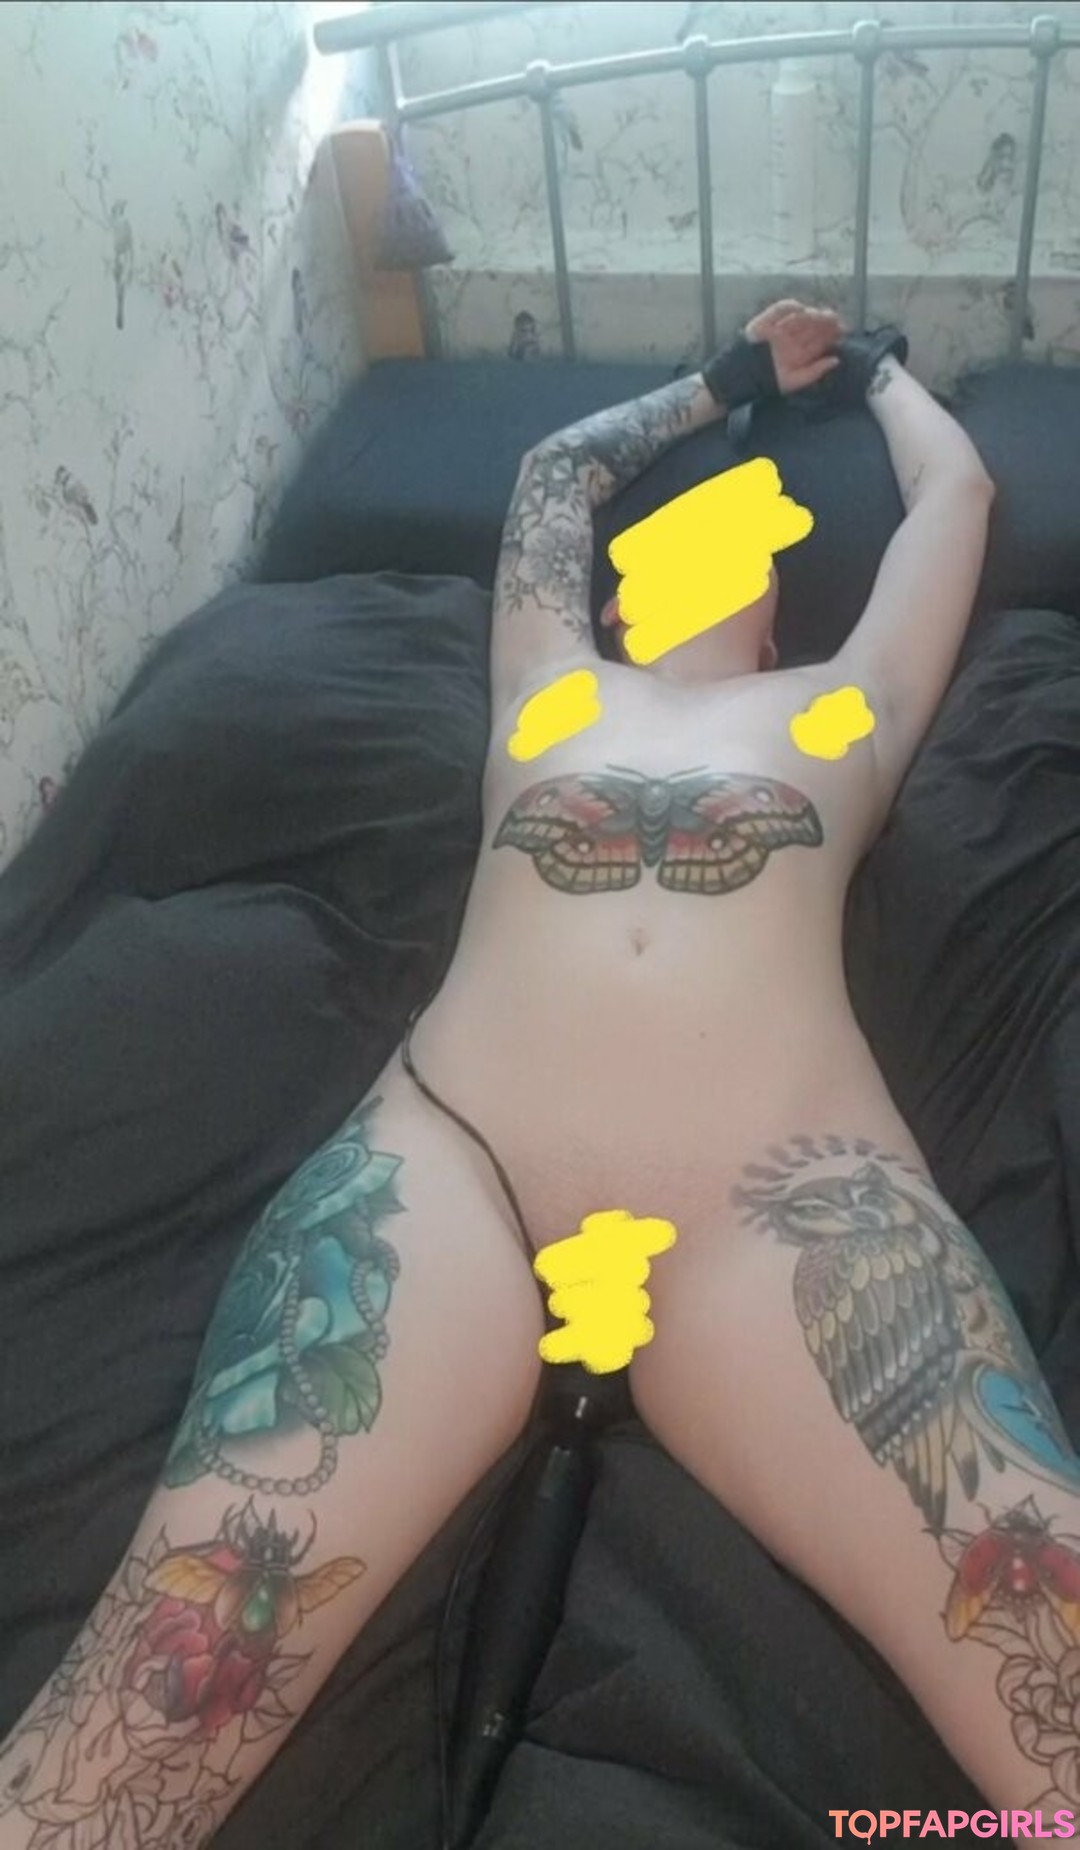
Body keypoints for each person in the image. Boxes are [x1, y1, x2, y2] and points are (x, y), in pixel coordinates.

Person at [2, 300, 1078, 1850]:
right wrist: (720, 382)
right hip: (455, 1165)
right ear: (627, 598)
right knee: (142, 1715)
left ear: (778, 605)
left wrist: (874, 368)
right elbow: (554, 479)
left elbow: (955, 495)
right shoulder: (547, 685)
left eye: (743, 543)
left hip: (785, 1197)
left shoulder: (844, 706)